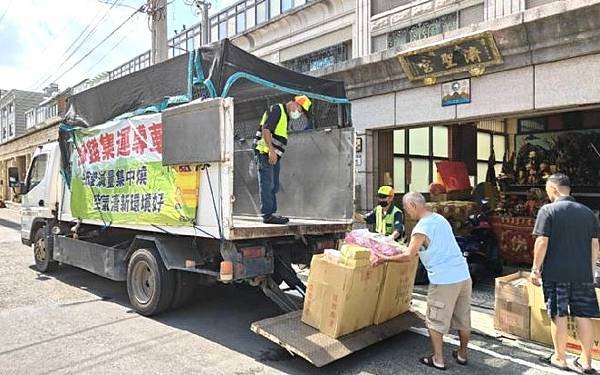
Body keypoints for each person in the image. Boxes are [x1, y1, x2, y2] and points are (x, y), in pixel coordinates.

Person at [372, 192, 472, 371]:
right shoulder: (440, 219)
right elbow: (431, 246)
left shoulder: (421, 228)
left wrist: (384, 258)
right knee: (463, 318)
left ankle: (438, 359)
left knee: (434, 320)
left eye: (406, 208)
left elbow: (409, 256)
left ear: (413, 205)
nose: (406, 212)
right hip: (463, 275)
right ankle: (462, 354)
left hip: (443, 280)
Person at [531, 173, 600, 373]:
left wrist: (535, 269)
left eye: (546, 190)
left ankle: (560, 358)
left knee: (558, 315)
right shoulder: (588, 213)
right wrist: (590, 270)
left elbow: (542, 241)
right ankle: (587, 362)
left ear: (553, 188)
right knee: (584, 316)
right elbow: (595, 245)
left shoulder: (548, 210)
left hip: (556, 273)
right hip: (583, 274)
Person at [253, 95, 312, 224]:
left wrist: (274, 153)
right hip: (265, 153)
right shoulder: (277, 109)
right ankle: (267, 214)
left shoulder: (284, 116)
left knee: (274, 185)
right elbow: (266, 129)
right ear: (293, 103)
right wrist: (271, 151)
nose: (298, 113)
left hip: (272, 155)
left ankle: (272, 213)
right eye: (300, 110)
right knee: (267, 183)